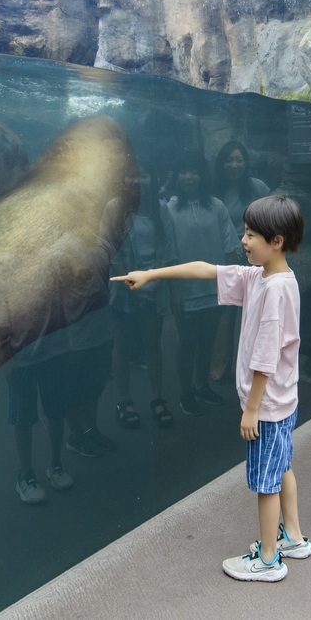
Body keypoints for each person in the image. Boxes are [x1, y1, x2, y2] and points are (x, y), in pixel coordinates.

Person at [113, 194, 308, 582]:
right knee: (282, 466)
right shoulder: (264, 276)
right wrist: (152, 274)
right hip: (284, 400)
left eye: (252, 235)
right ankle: (294, 538)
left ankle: (269, 560)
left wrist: (252, 408)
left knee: (266, 482)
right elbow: (207, 270)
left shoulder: (273, 289)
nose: (244, 240)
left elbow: (265, 357)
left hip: (267, 406)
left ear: (277, 241)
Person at [7, 308, 116, 505]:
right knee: (23, 417)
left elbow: (61, 309)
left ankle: (56, 464)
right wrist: (7, 360)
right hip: (21, 357)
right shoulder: (2, 280)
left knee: (55, 409)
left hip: (53, 351)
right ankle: (25, 475)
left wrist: (66, 346)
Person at [164, 153, 238, 416]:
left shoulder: (216, 206)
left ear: (202, 175)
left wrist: (229, 284)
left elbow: (230, 245)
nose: (188, 177)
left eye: (194, 171)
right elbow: (169, 252)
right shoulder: (169, 208)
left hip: (214, 287)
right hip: (185, 290)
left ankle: (202, 385)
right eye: (183, 171)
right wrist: (174, 290)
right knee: (187, 342)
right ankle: (186, 392)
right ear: (176, 176)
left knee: (208, 340)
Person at [104, 164, 177, 429]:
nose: (137, 179)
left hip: (153, 290)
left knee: (153, 347)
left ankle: (157, 398)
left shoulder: (160, 208)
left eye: (143, 173)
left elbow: (166, 248)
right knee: (122, 347)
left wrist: (152, 284)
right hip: (124, 292)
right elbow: (111, 250)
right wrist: (131, 285)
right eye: (131, 174)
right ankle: (124, 401)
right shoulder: (114, 207)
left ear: (152, 177)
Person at [209, 140, 271, 384]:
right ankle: (222, 366)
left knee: (256, 313)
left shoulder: (258, 188)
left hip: (255, 258)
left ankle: (254, 367)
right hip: (227, 257)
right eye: (229, 160)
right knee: (227, 315)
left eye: (239, 160)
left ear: (246, 163)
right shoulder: (214, 190)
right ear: (221, 163)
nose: (234, 165)